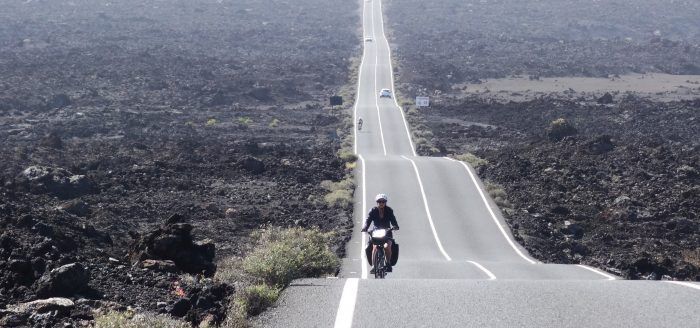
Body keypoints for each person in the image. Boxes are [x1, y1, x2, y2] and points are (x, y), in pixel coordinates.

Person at [361, 193, 399, 273]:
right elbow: (368, 220)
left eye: (383, 201)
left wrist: (395, 226)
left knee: (387, 247)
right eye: (379, 201)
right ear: (377, 202)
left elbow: (393, 220)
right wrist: (365, 228)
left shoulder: (389, 210)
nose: (381, 203)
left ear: (385, 202)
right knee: (374, 247)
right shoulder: (373, 210)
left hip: (387, 232)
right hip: (376, 231)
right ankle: (373, 266)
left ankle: (388, 263)